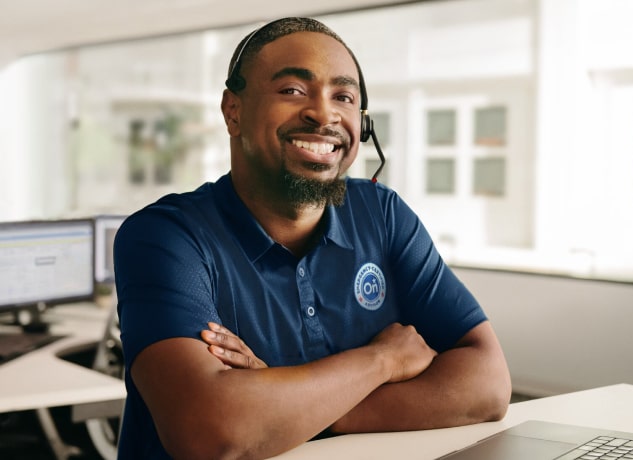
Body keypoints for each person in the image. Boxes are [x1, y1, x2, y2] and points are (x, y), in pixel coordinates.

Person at [114, 16, 511, 460]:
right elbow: (210, 432)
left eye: (343, 96)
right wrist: (383, 361)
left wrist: (290, 407)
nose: (324, 113)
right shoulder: (165, 235)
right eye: (292, 91)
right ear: (234, 111)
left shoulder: (383, 214)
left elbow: (489, 386)